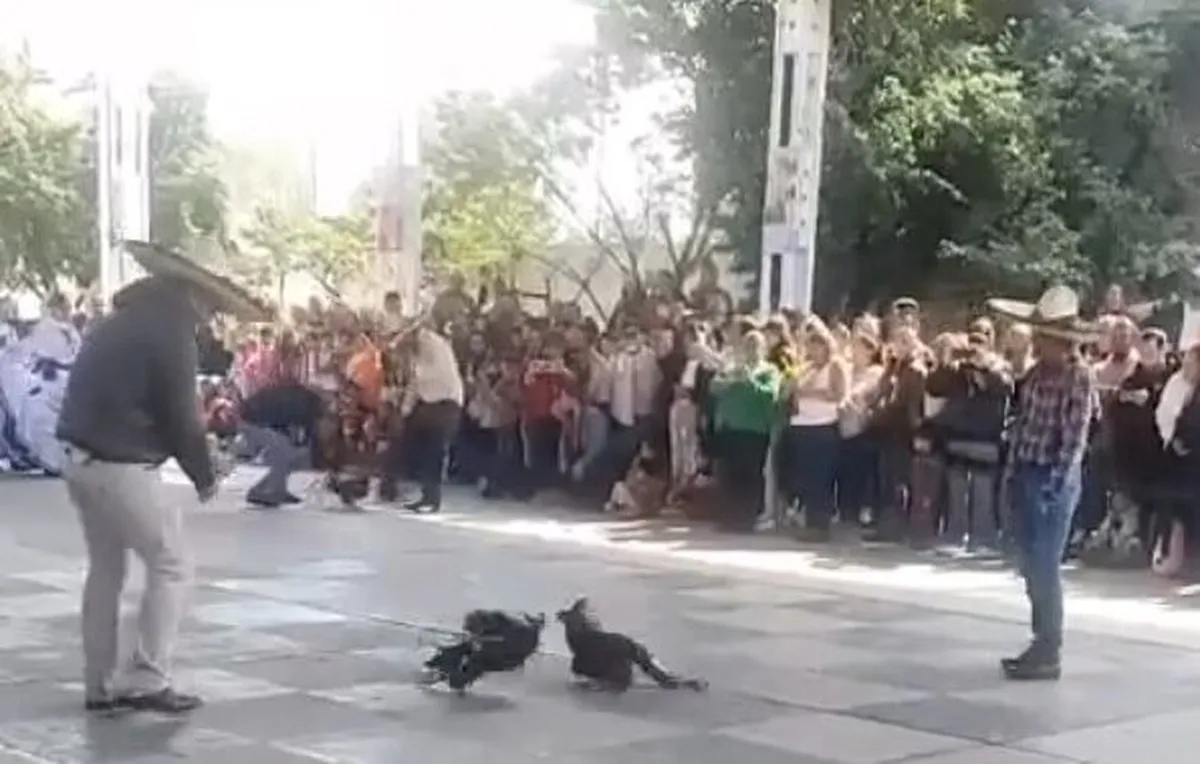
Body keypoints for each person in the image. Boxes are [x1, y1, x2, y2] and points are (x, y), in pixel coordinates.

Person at [56, 241, 269, 714]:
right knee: (171, 562)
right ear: (192, 297)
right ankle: (148, 678)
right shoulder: (169, 330)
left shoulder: (121, 321)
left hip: (81, 456)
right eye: (210, 307)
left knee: (107, 570)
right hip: (120, 463)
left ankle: (100, 682)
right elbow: (180, 416)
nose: (210, 318)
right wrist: (205, 475)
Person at [988, 286, 1097, 681]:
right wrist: (1013, 470)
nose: (1036, 341)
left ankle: (1049, 646)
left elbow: (1073, 439)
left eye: (1042, 336)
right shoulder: (1034, 373)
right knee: (1029, 564)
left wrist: (1053, 485)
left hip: (1052, 478)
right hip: (1026, 471)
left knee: (1044, 564)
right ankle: (1041, 641)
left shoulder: (1078, 378)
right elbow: (1021, 424)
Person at [397, 324, 464, 512]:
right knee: (422, 449)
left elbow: (429, 377)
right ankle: (427, 494)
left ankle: (432, 498)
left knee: (434, 451)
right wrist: (405, 409)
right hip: (431, 403)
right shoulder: (418, 352)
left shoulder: (434, 345)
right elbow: (415, 383)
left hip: (446, 402)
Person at [238, 380, 324, 507]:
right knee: (284, 450)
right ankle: (261, 491)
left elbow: (292, 428)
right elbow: (304, 431)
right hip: (253, 420)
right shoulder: (308, 405)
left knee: (288, 453)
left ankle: (277, 489)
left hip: (255, 418)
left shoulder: (304, 399)